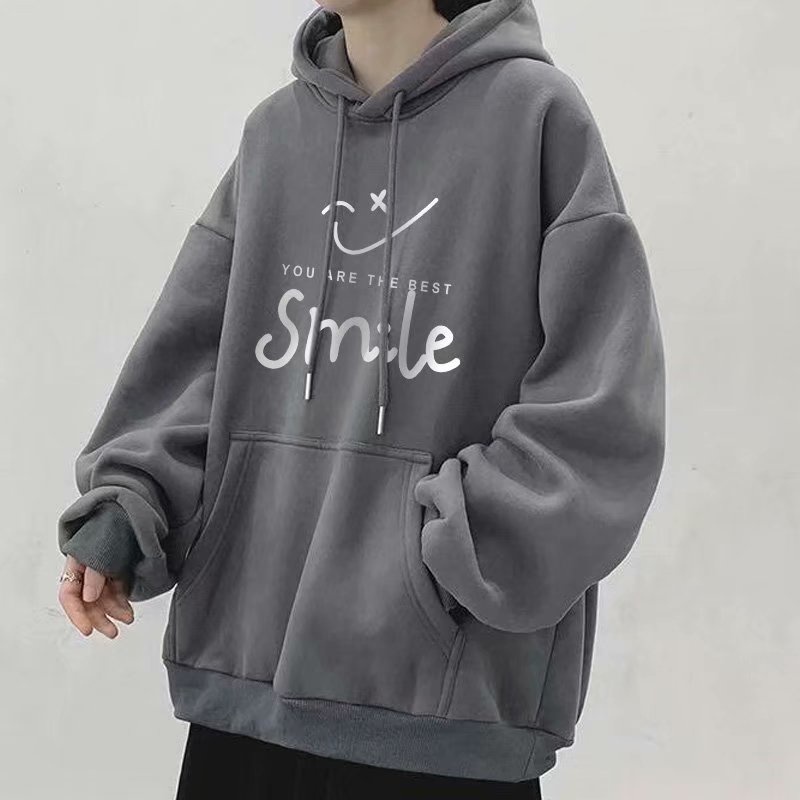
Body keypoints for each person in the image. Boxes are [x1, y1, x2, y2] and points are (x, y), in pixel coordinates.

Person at [56, 0, 666, 797]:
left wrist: (452, 556)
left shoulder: (536, 119)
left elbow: (603, 412)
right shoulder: (276, 136)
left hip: (440, 719)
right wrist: (125, 509)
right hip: (246, 701)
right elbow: (193, 366)